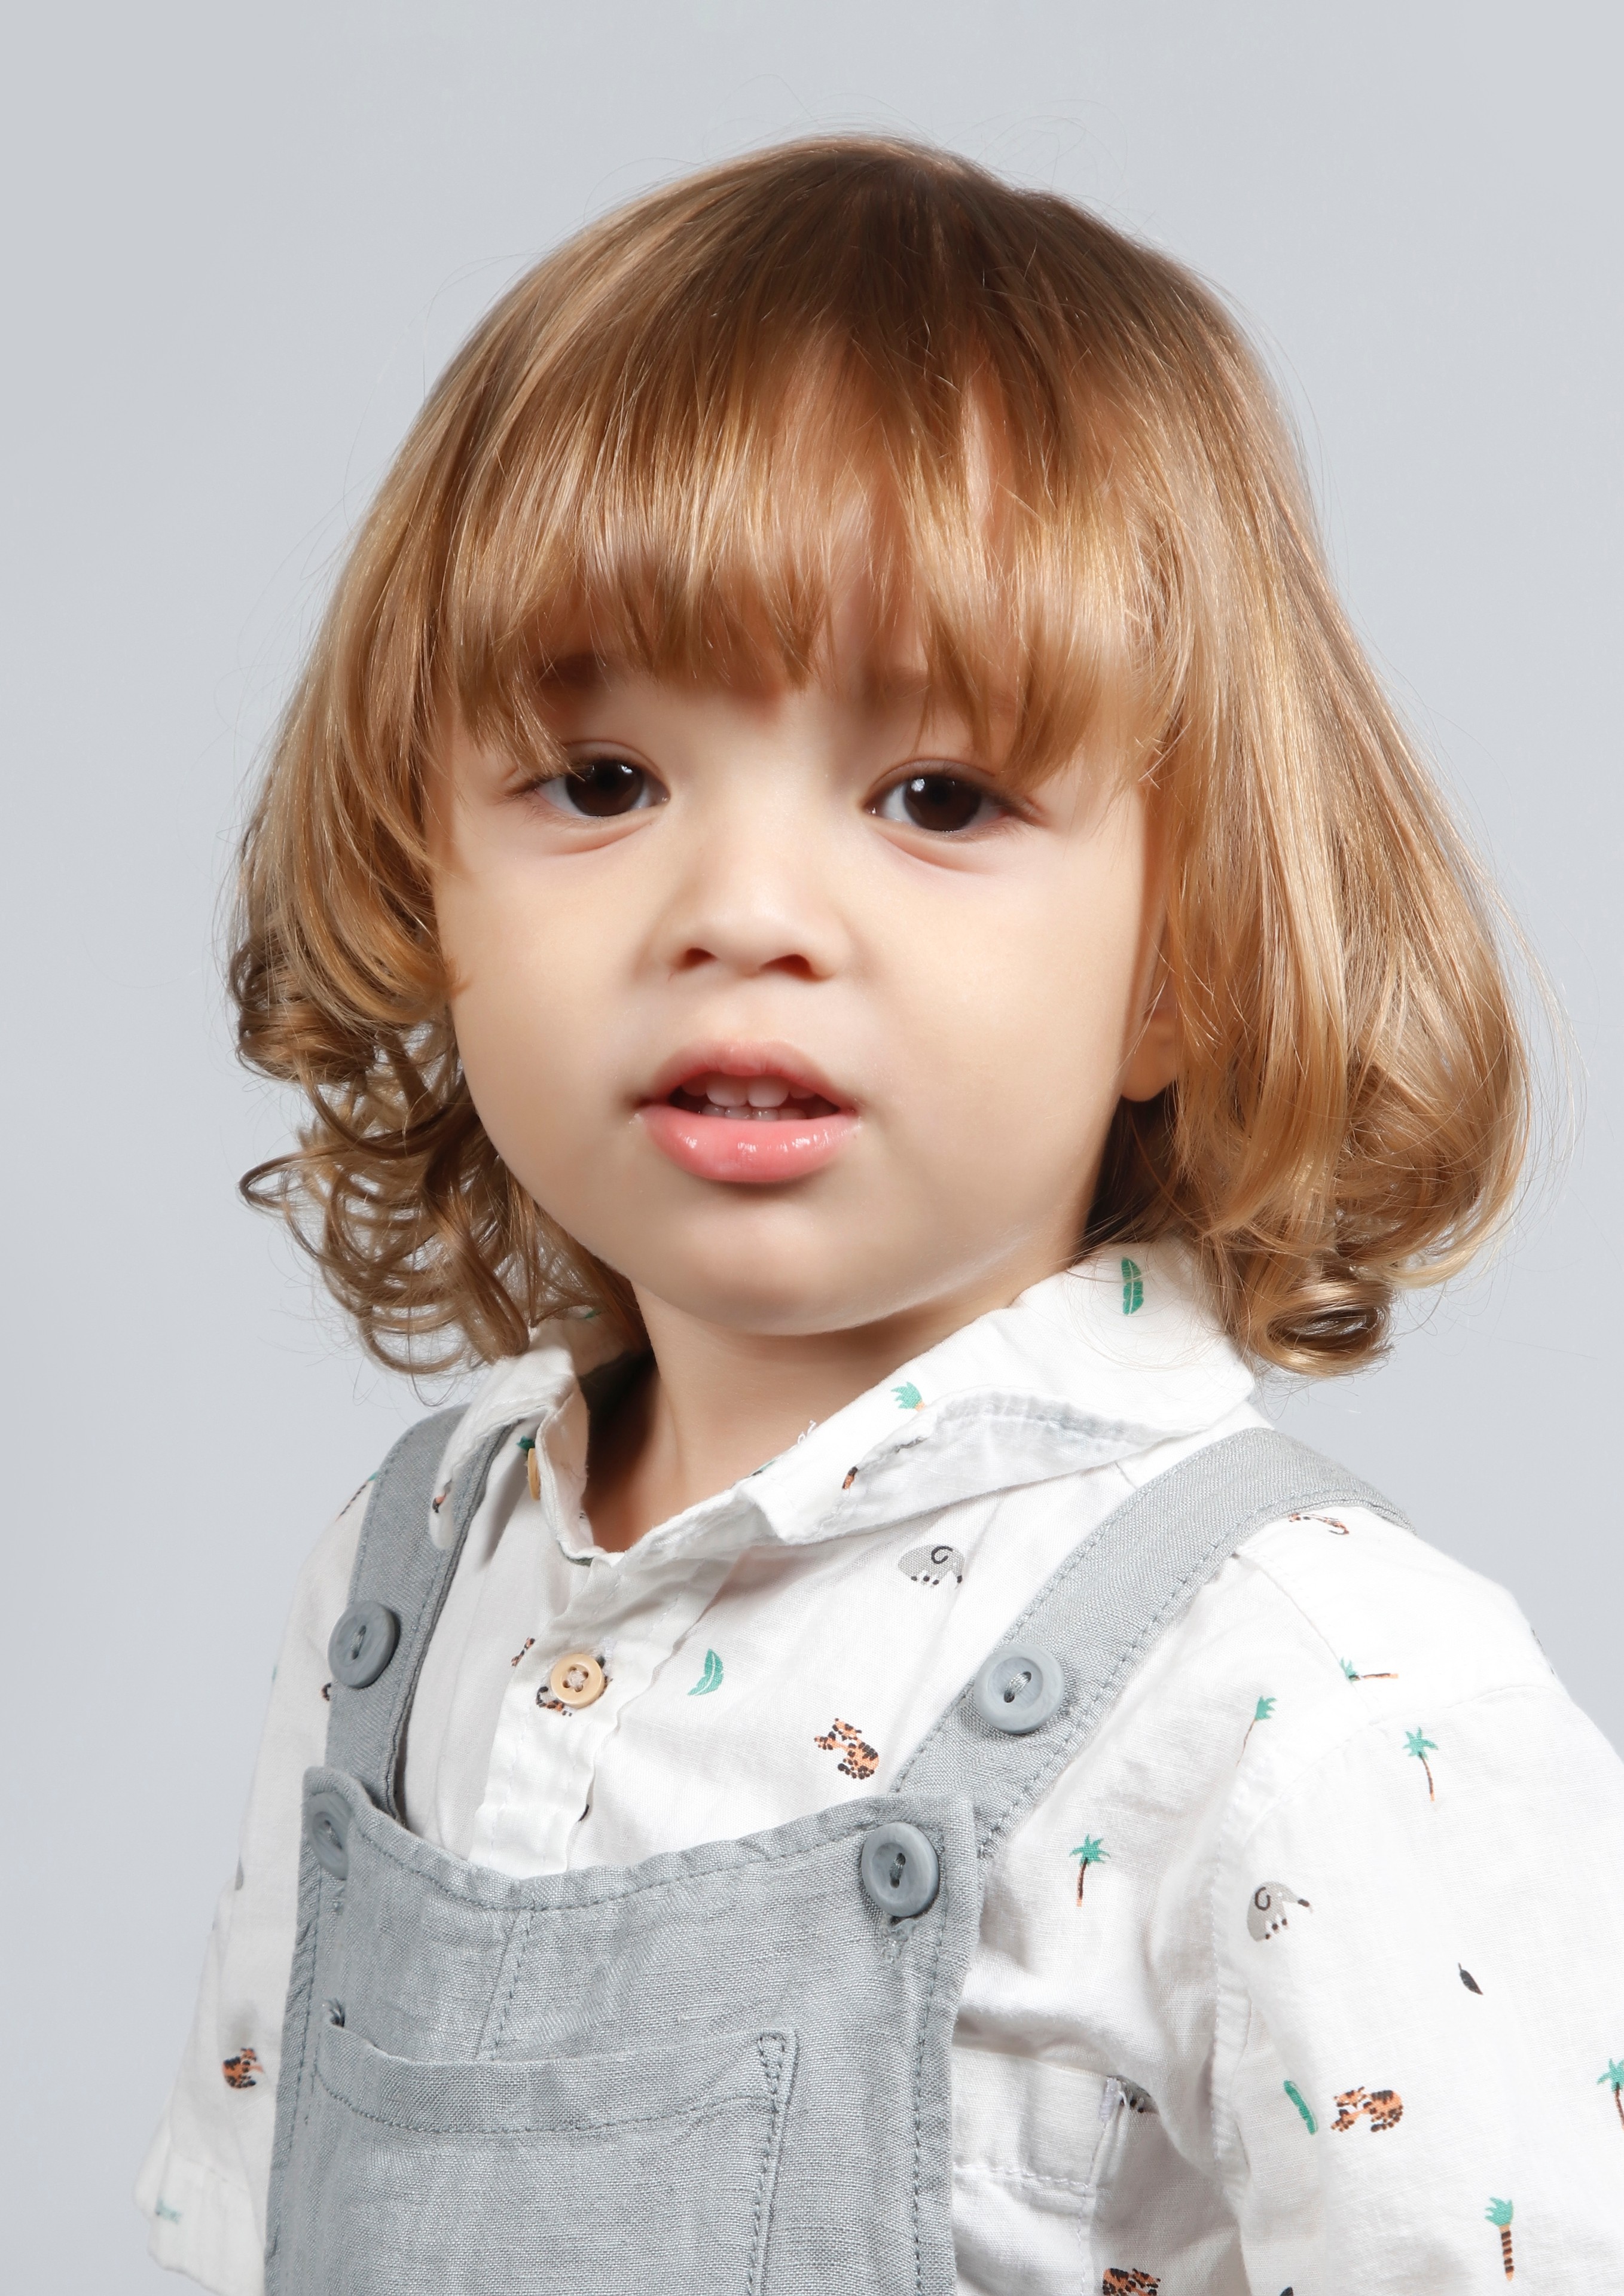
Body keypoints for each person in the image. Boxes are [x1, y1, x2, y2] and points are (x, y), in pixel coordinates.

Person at [138, 139, 1624, 2295]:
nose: (741, 911)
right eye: (602, 783)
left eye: (937, 797)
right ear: (418, 877)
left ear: (1186, 955)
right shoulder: (410, 1579)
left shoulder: (1300, 1688)